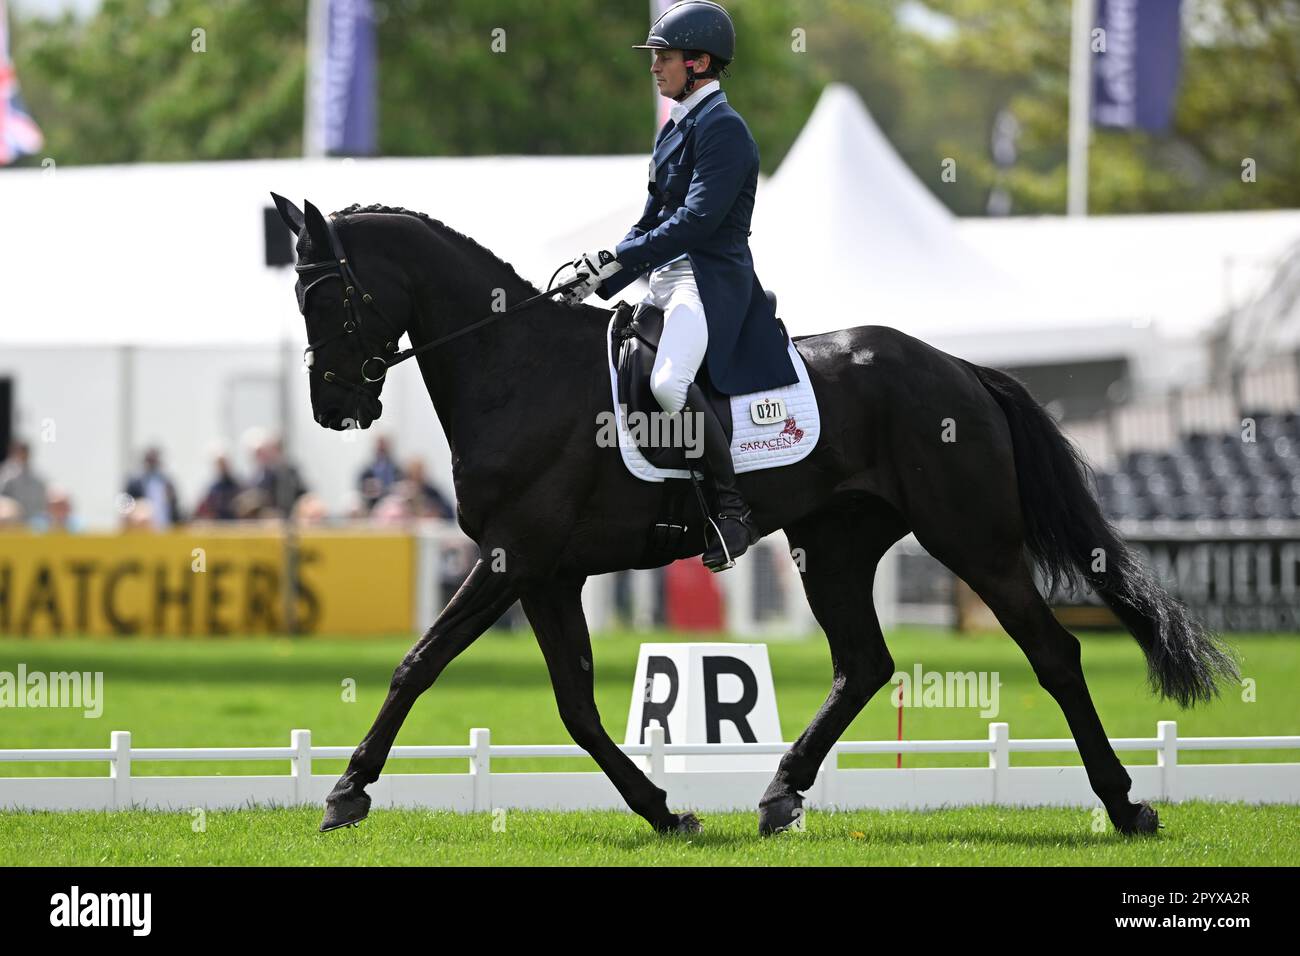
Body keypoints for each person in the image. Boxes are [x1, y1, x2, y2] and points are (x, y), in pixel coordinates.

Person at [553, 0, 797, 572]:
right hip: (664, 278)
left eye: (663, 57)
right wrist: (601, 272)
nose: (654, 67)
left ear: (700, 62)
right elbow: (651, 219)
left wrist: (621, 256)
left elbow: (694, 223)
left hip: (706, 283)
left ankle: (732, 511)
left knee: (667, 383)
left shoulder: (725, 131)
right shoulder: (674, 130)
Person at [124, 447, 182, 529]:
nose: (152, 464)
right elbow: (126, 507)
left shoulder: (168, 483)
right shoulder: (135, 484)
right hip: (142, 530)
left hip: (165, 529)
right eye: (150, 460)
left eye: (154, 460)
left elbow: (175, 509)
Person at [0, 440, 48, 525]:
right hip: (10, 521)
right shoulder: (5, 475)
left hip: (31, 521)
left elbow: (42, 501)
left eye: (24, 452)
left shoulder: (36, 478)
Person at [358, 436, 403, 512]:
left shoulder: (396, 469)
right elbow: (361, 487)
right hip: (371, 501)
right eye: (380, 445)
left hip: (391, 501)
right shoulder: (367, 470)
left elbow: (400, 486)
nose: (381, 448)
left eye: (383, 445)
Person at [194, 454, 244, 521]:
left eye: (224, 463)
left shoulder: (238, 485)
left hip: (235, 523)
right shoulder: (213, 488)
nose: (222, 466)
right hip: (218, 524)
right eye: (220, 464)